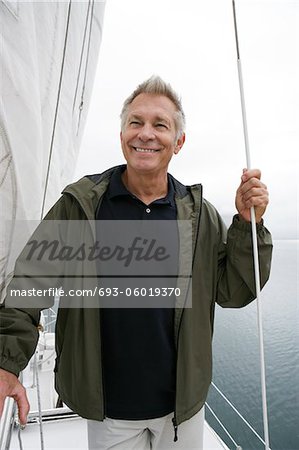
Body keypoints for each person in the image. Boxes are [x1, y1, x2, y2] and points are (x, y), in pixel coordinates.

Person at [0, 76, 272, 449]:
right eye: (135, 122)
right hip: (110, 411)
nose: (146, 133)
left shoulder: (199, 216)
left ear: (179, 142)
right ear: (122, 134)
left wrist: (247, 225)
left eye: (160, 125)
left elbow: (233, 290)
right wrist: (6, 362)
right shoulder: (81, 206)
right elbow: (32, 281)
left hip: (181, 410)